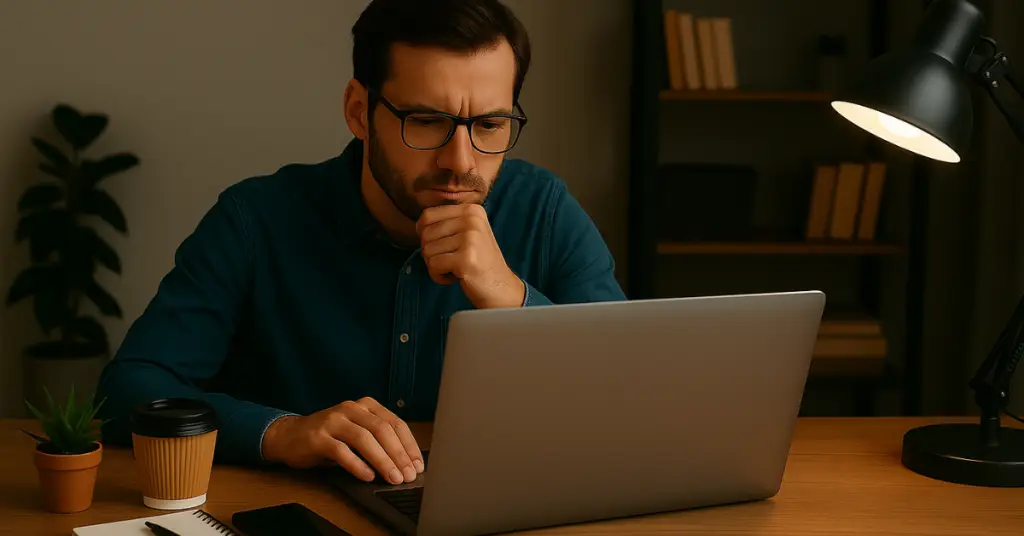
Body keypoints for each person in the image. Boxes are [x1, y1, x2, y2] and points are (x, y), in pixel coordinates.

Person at [95, 0, 625, 487]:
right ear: (358, 111)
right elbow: (129, 391)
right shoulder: (255, 220)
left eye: (489, 124)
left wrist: (511, 299)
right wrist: (282, 434)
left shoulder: (546, 212)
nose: (461, 161)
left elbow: (627, 403)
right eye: (425, 121)